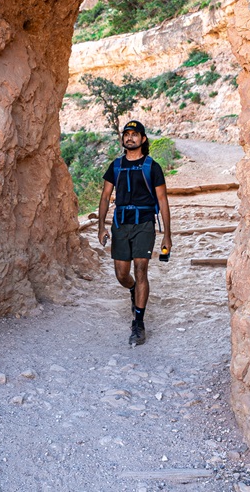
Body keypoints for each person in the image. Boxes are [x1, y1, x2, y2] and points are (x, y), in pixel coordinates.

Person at [97, 120, 172, 346]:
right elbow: (104, 196)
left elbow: (162, 200)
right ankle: (131, 290)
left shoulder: (152, 167)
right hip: (121, 224)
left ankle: (138, 323)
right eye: (126, 134)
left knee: (141, 269)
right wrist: (101, 226)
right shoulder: (116, 166)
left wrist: (167, 235)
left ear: (143, 139)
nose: (130, 138)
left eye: (135, 134)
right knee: (122, 274)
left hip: (144, 224)